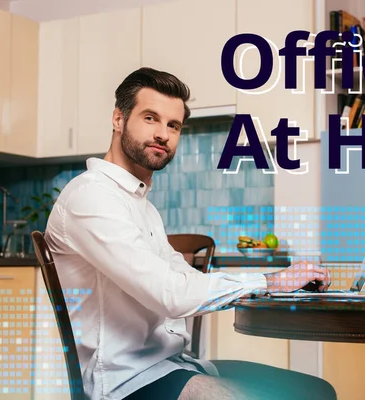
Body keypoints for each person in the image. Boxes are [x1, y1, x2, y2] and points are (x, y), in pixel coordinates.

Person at [44, 67, 337, 400]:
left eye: (173, 125)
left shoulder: (141, 205)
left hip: (171, 363)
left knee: (315, 391)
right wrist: (271, 282)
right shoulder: (91, 196)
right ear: (118, 119)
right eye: (150, 118)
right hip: (124, 382)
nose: (163, 134)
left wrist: (277, 284)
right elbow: (173, 295)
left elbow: (182, 279)